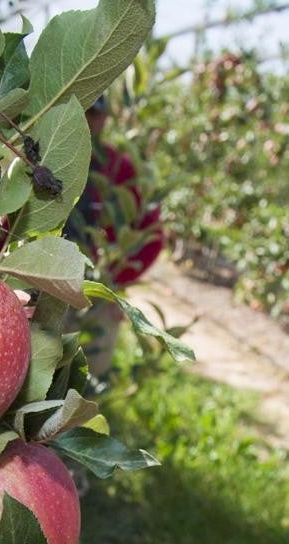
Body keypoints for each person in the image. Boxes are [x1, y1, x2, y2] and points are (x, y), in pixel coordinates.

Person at [64, 96, 165, 378]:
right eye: (83, 110)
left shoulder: (120, 168)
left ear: (105, 117)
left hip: (97, 295)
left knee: (87, 375)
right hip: (46, 285)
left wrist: (114, 282)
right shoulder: (50, 159)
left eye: (95, 113)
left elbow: (153, 235)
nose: (87, 119)